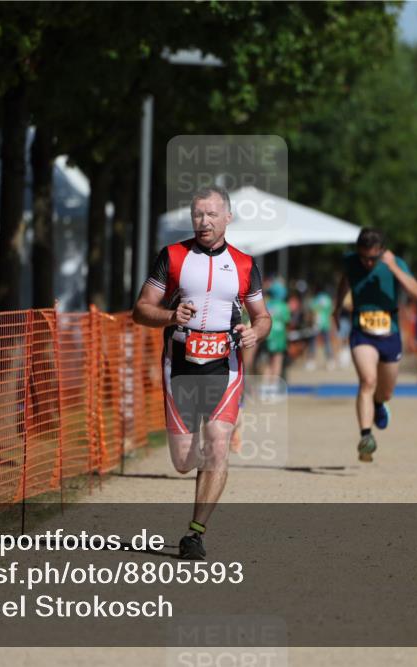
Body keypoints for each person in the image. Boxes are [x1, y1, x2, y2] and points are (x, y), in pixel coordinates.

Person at [133, 185, 271, 560]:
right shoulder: (173, 257)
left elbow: (262, 317)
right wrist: (169, 316)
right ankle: (198, 453)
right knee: (182, 461)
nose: (204, 221)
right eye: (198, 214)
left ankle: (195, 533)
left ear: (227, 217)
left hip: (223, 366)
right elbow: (141, 309)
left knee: (217, 445)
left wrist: (254, 332)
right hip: (179, 364)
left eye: (211, 214)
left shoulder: (244, 264)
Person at [333, 228, 417, 462]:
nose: (368, 262)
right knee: (368, 381)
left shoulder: (395, 262)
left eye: (373, 258)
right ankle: (366, 436)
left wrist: (392, 267)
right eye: (364, 257)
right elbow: (345, 279)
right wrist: (337, 305)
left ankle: (380, 404)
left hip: (389, 332)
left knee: (386, 390)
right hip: (362, 330)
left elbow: (416, 292)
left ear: (382, 251)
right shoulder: (351, 261)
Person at [263, 281, 291, 396]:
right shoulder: (284, 306)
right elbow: (287, 321)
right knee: (277, 362)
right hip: (279, 337)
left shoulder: (267, 304)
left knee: (268, 363)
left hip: (268, 336)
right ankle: (273, 387)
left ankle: (265, 387)